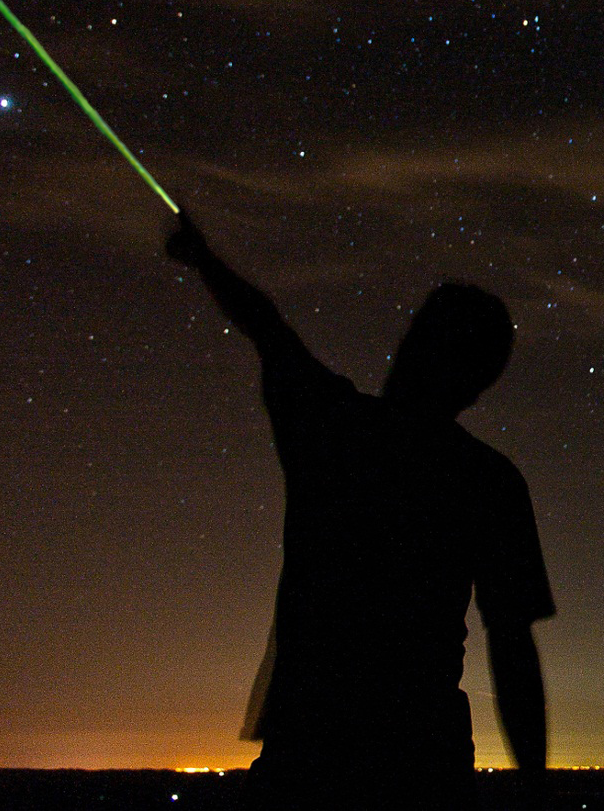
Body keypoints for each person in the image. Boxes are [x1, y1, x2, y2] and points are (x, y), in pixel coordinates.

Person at [166, 213, 554, 810]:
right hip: (420, 760)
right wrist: (533, 787)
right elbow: (512, 648)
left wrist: (206, 262)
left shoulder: (334, 427)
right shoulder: (489, 481)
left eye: (424, 335)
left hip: (314, 751)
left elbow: (268, 329)